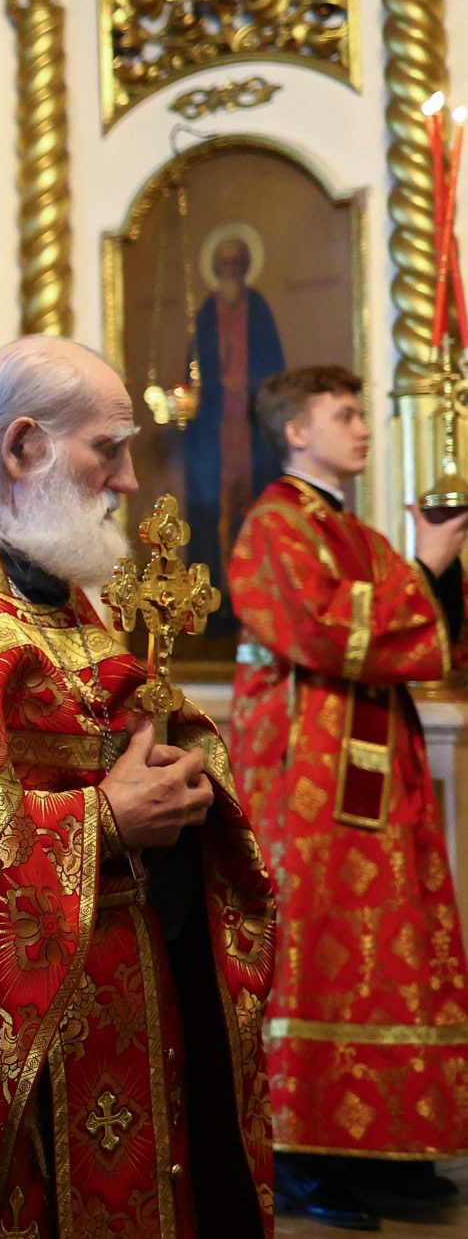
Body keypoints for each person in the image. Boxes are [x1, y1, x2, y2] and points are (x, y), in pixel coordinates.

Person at [0, 335, 277, 1238]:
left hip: (133, 984)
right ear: (22, 448)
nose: (128, 480)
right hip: (24, 1035)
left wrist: (187, 776)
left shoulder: (70, 590)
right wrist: (106, 819)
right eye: (108, 449)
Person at [227, 365, 468, 1228]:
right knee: (315, 950)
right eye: (345, 413)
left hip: (374, 774)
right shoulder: (273, 525)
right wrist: (427, 565)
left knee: (391, 949)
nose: (364, 427)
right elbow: (325, 629)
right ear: (296, 430)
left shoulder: (352, 530)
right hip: (307, 783)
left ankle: (381, 1145)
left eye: (364, 412)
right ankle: (300, 1155)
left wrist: (434, 571)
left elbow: (424, 642)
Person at [184, 230, 285, 618]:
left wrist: (251, 391)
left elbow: (273, 368)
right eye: (223, 265)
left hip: (251, 431)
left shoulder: (257, 309)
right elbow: (193, 376)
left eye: (235, 264)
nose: (230, 271)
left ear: (244, 267)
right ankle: (215, 604)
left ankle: (256, 601)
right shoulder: (205, 315)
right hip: (214, 431)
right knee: (211, 513)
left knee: (252, 508)